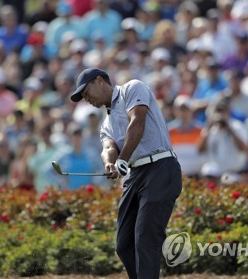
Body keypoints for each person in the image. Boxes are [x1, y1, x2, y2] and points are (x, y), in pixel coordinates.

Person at [70, 68, 182, 278]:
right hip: (135, 175)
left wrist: (123, 159)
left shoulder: (132, 88)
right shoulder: (106, 123)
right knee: (124, 244)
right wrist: (110, 164)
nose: (87, 99)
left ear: (100, 80)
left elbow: (137, 122)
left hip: (160, 167)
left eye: (86, 92)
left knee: (145, 239)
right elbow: (108, 148)